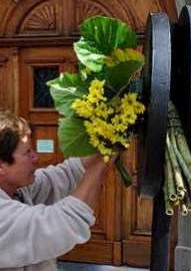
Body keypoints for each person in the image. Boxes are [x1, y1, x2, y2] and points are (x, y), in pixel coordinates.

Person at [0, 109, 113, 270]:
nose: (36, 157)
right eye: (27, 153)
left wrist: (107, 143)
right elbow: (61, 226)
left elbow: (62, 177)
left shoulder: (17, 190)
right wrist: (102, 164)